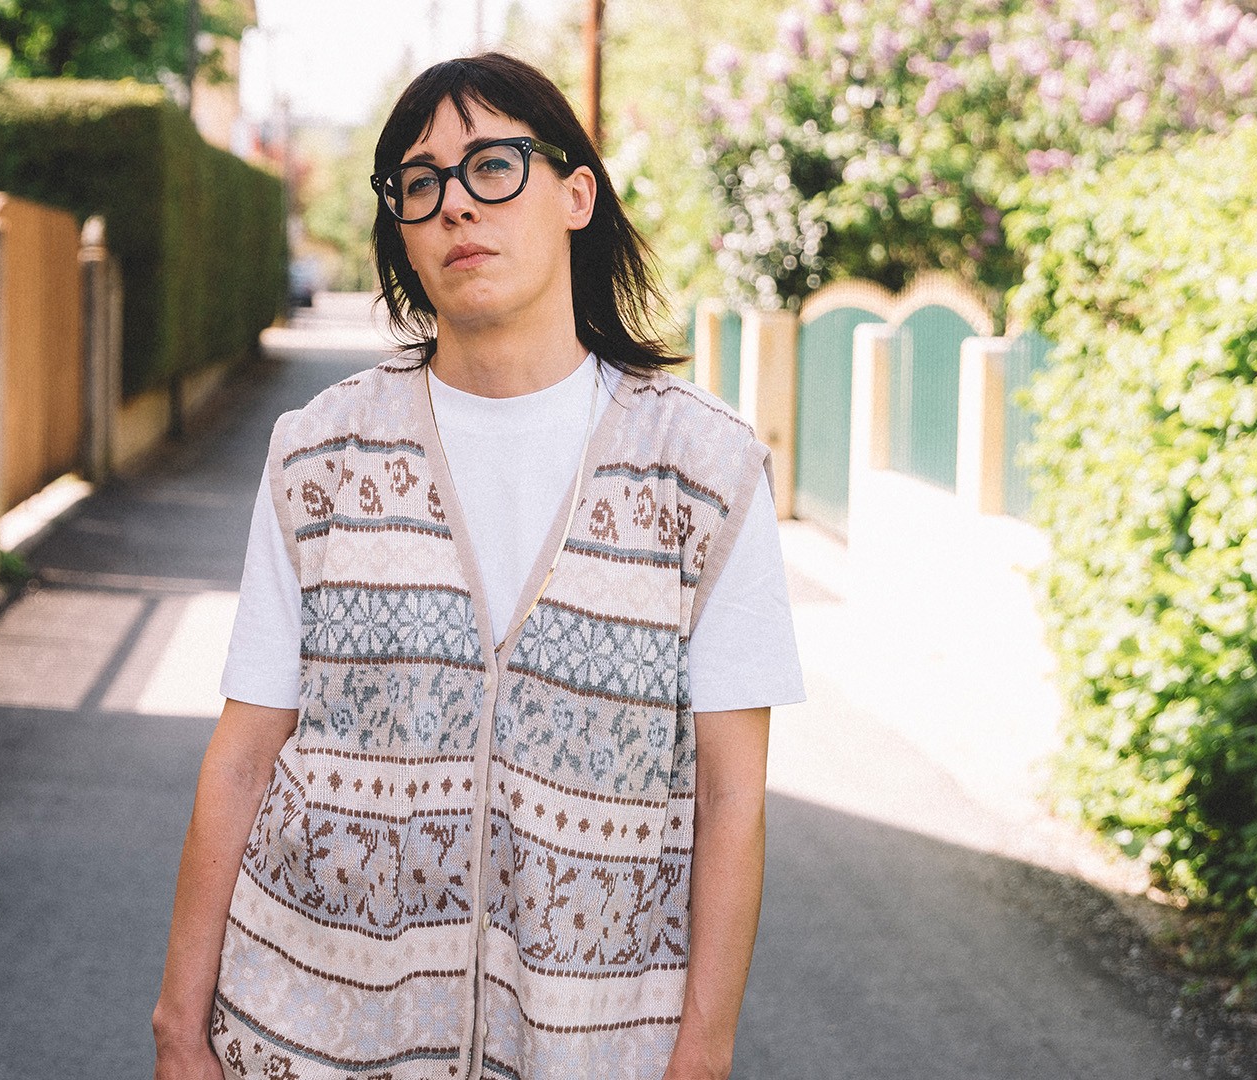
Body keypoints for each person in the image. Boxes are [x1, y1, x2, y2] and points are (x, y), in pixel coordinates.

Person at [153, 52, 804, 1080]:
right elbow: (243, 750)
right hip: (309, 1029)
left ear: (574, 194)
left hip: (590, 1044)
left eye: (493, 166)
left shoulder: (704, 475)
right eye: (421, 184)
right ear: (400, 231)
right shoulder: (319, 455)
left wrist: (705, 1051)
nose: (457, 205)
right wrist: (179, 1026)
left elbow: (733, 793)